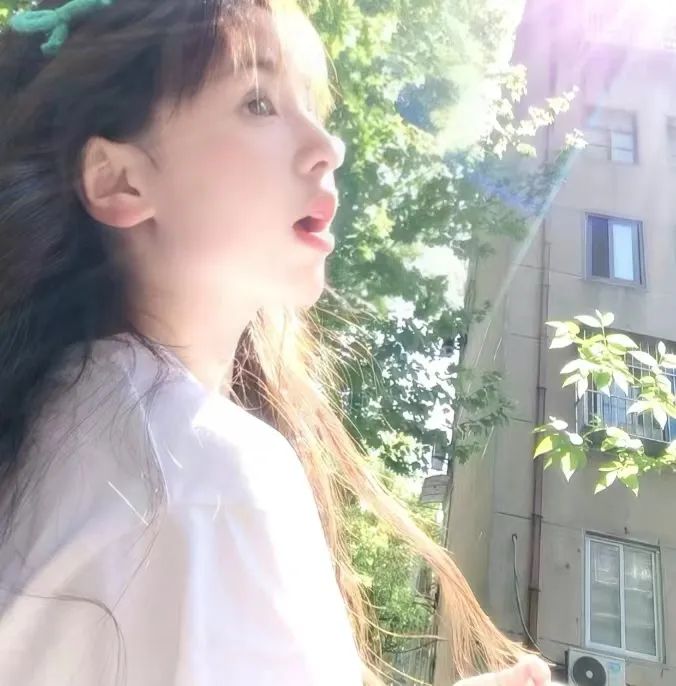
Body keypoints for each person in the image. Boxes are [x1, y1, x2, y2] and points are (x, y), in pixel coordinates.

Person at [0, 0, 552, 684]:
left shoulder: (52, 426)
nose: (329, 146)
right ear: (119, 180)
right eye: (257, 102)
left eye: (310, 105)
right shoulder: (204, 475)